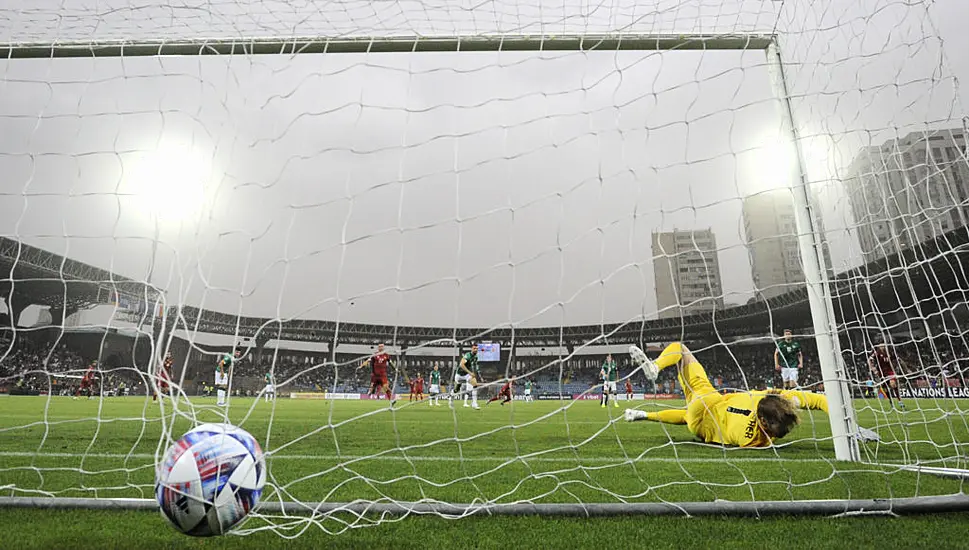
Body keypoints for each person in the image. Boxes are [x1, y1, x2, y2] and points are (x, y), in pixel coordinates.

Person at [625, 342, 879, 446]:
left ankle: (657, 366)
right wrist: (851, 428)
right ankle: (643, 414)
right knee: (686, 416)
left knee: (680, 349)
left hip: (707, 400)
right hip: (700, 427)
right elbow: (820, 399)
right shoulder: (756, 441)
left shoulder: (764, 398)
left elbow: (818, 399)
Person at [869, 342, 905, 410]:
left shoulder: (890, 352)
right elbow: (870, 360)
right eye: (881, 346)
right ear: (879, 347)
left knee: (893, 384)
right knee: (885, 388)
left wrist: (904, 367)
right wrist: (874, 369)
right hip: (881, 373)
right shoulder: (877, 353)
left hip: (890, 371)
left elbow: (898, 359)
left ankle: (900, 401)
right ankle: (890, 401)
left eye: (884, 346)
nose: (883, 347)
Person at [454, 344, 482, 409]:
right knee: (456, 390)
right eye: (474, 348)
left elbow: (474, 366)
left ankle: (474, 403)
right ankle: (450, 398)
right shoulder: (467, 355)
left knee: (475, 384)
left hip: (467, 375)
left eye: (477, 348)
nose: (476, 350)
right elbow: (461, 365)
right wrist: (470, 372)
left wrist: (473, 374)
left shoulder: (476, 357)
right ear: (471, 349)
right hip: (459, 374)